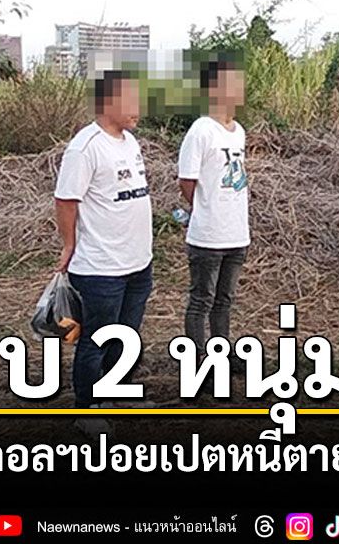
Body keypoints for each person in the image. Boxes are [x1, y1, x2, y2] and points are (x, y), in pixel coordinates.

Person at [53, 70, 153, 438]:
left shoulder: (130, 142)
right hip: (101, 267)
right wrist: (69, 245)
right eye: (131, 100)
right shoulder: (85, 147)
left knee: (125, 335)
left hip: (138, 262)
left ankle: (114, 393)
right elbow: (66, 200)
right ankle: (87, 410)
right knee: (96, 339)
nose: (138, 107)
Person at [177, 59, 250, 356]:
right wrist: (204, 209)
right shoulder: (201, 131)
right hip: (208, 236)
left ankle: (222, 353)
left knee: (224, 300)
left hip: (237, 233)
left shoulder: (238, 131)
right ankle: (196, 359)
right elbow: (187, 180)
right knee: (201, 300)